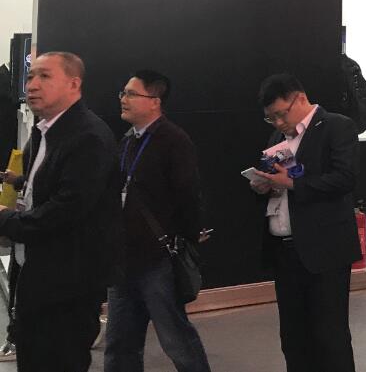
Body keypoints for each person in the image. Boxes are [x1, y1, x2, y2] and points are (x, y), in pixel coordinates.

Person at [0, 52, 119, 372]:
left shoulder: (88, 137)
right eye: (30, 76)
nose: (32, 85)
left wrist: (6, 219)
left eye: (45, 76)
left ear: (74, 84)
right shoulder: (44, 131)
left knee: (60, 361)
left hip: (69, 284)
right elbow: (44, 190)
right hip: (38, 273)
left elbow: (67, 209)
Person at [250, 74, 360, 372]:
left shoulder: (336, 126)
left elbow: (344, 178)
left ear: (300, 98)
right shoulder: (277, 138)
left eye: (281, 114)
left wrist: (292, 183)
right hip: (284, 250)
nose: (277, 123)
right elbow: (278, 180)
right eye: (270, 118)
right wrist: (265, 185)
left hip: (325, 250)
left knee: (330, 335)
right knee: (293, 336)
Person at [105, 70, 211, 372]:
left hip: (156, 260)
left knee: (176, 338)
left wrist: (189, 233)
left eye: (131, 94)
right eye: (123, 93)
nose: (123, 99)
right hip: (123, 258)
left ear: (155, 101)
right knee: (120, 342)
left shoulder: (174, 140)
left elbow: (188, 195)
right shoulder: (128, 140)